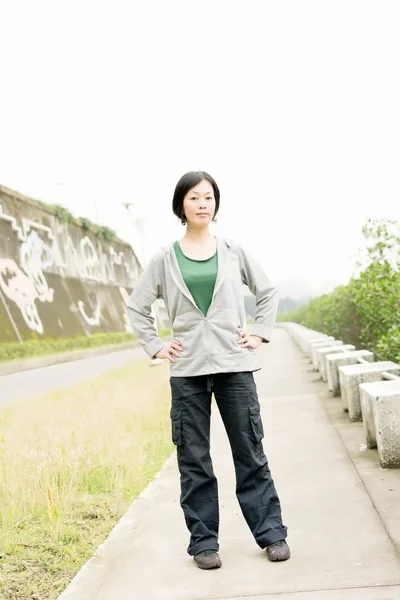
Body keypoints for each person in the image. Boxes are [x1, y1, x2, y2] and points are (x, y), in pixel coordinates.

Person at [127, 171, 289, 570]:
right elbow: (137, 307)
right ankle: (204, 542)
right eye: (195, 198)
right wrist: (156, 345)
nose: (203, 204)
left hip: (235, 365)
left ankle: (272, 534)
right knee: (194, 459)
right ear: (181, 205)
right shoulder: (165, 258)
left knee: (250, 452)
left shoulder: (233, 250)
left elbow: (267, 291)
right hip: (188, 370)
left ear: (216, 204)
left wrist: (260, 333)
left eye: (209, 197)